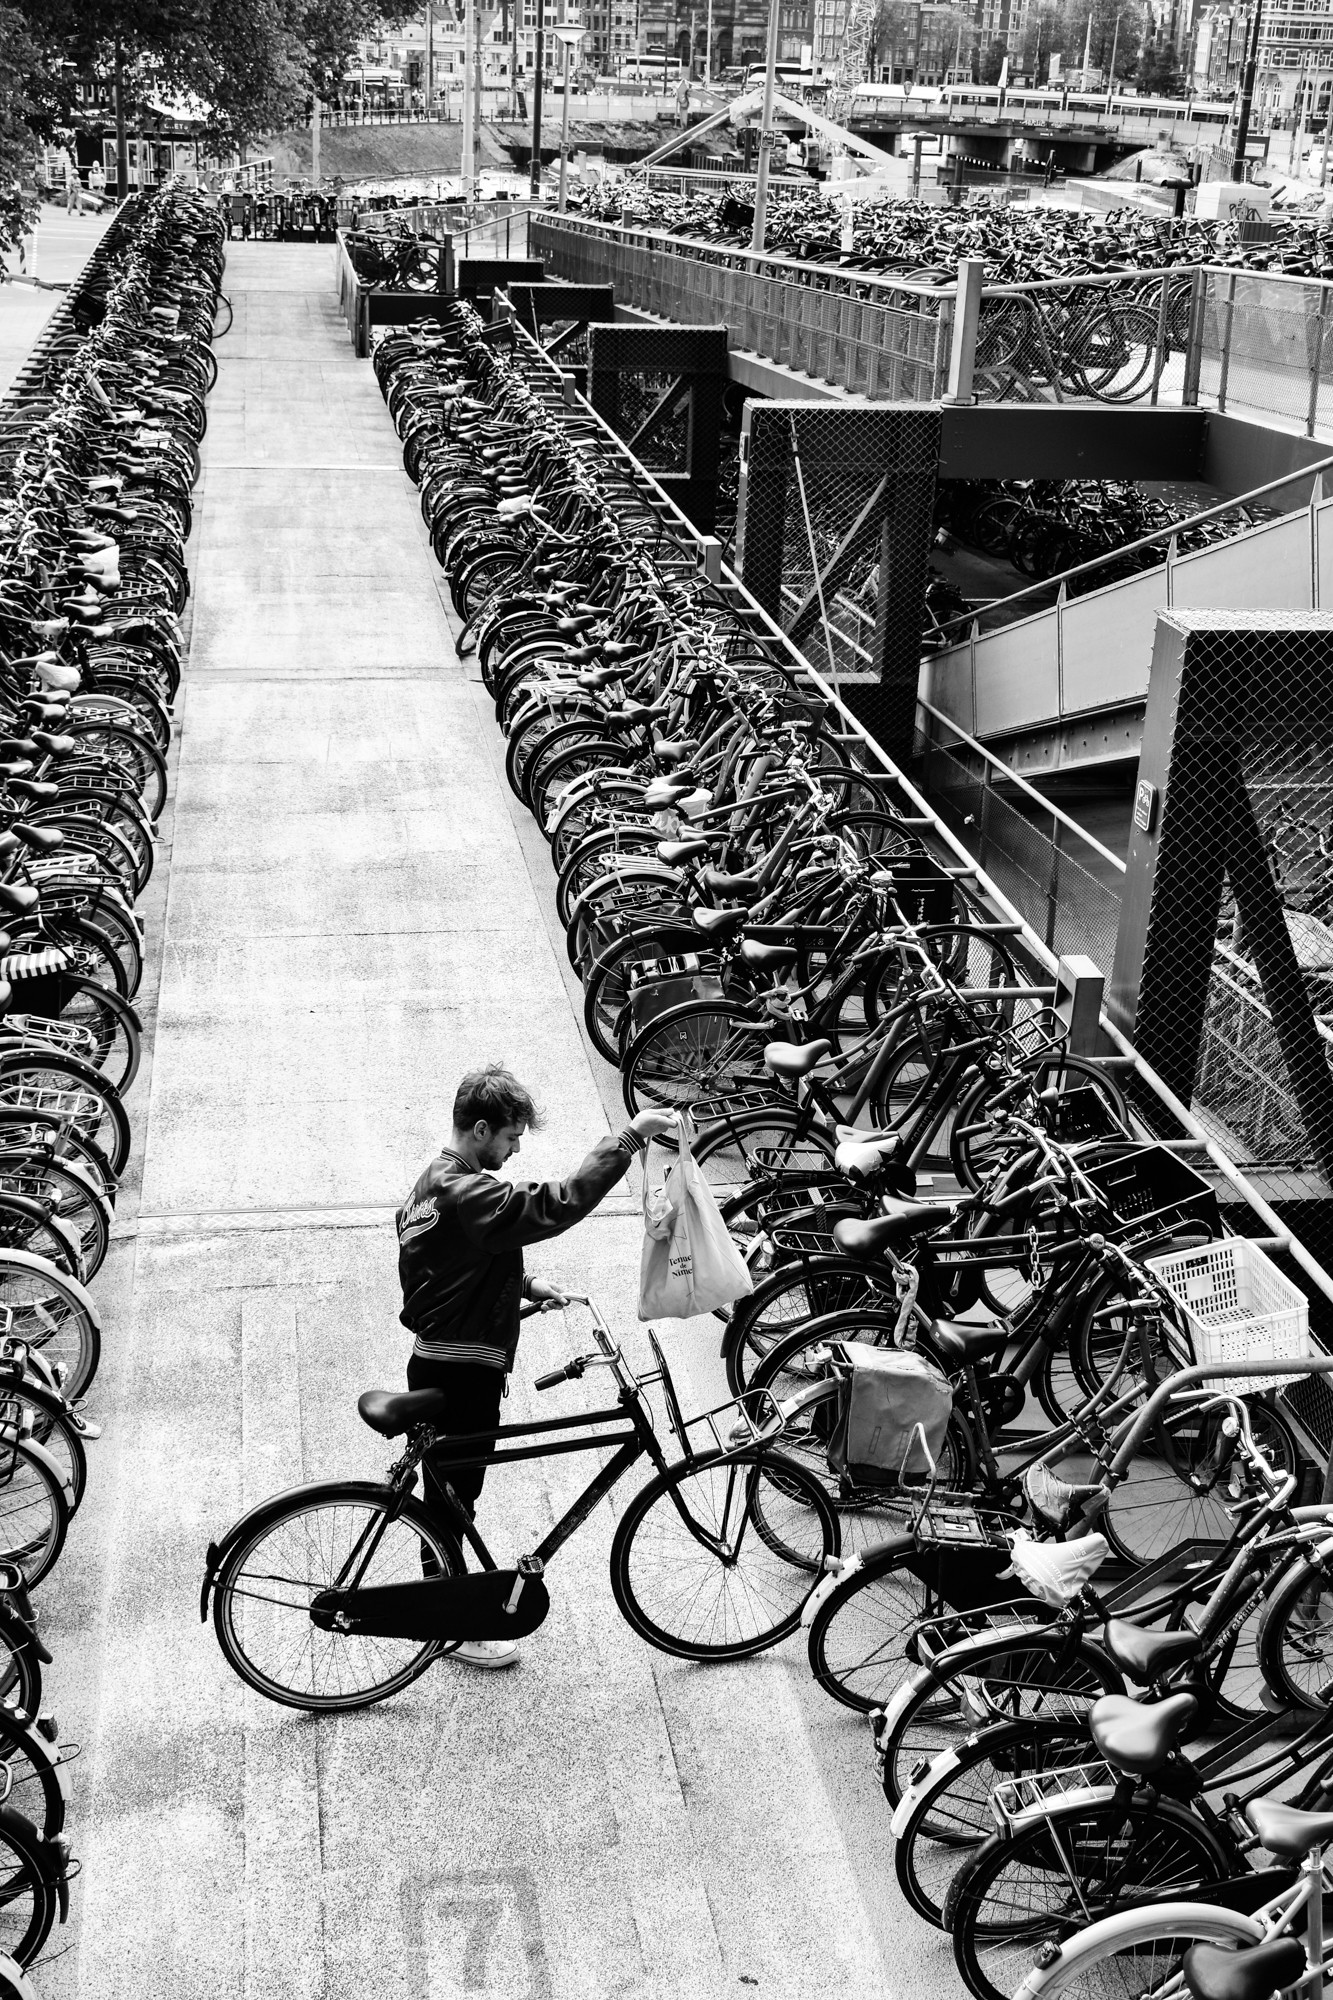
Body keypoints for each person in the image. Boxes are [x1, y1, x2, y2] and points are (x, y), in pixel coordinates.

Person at [396, 1065, 674, 1669]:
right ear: (478, 1128)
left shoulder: (430, 1186)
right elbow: (560, 1201)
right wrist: (626, 1139)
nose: (516, 1147)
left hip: (436, 1358)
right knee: (452, 1502)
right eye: (510, 1136)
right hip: (464, 1371)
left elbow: (450, 1271)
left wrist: (522, 1285)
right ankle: (450, 1626)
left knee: (448, 1495)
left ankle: (446, 1602)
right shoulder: (471, 1192)